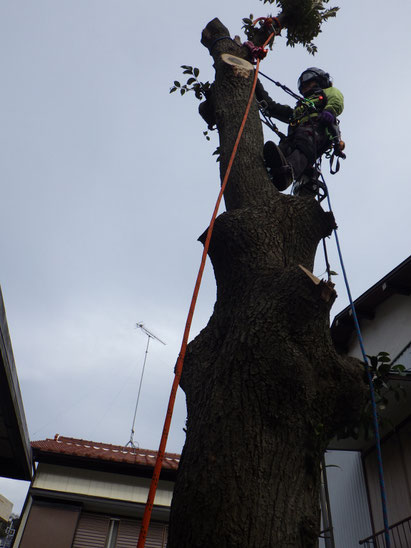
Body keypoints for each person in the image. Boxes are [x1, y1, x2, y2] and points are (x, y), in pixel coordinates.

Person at [256, 67, 344, 191]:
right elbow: (272, 107)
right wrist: (255, 82)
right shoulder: (298, 110)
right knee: (284, 148)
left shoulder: (327, 92)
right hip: (295, 135)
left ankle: (288, 173)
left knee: (304, 146)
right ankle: (271, 168)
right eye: (302, 86)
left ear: (320, 81)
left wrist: (329, 111)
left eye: (308, 83)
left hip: (316, 131)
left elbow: (336, 99)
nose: (305, 87)